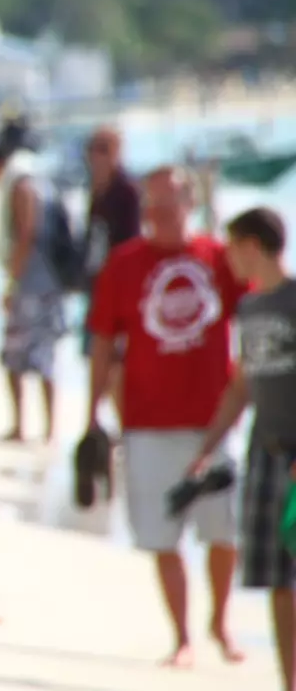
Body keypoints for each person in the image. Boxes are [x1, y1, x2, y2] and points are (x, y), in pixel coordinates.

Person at [86, 166, 246, 668]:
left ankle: (219, 620)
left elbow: (261, 311)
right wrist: (92, 411)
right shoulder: (124, 264)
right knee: (161, 534)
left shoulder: (217, 259)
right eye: (149, 208)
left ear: (189, 206)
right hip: (147, 422)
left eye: (167, 207)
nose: (156, 217)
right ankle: (182, 636)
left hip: (212, 422)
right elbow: (103, 344)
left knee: (225, 531)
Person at [188, 207, 293, 688]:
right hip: (264, 452)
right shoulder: (249, 308)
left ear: (251, 245)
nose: (226, 257)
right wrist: (208, 446)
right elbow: (240, 386)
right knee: (278, 579)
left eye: (230, 246)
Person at [0, 147, 67, 443]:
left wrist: (11, 283)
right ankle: (47, 428)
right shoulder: (41, 180)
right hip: (50, 285)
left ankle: (24, 426)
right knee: (44, 358)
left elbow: (27, 232)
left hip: (32, 285)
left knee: (17, 357)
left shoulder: (21, 184)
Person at [82, 127, 142, 419]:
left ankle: (124, 426)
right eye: (93, 148)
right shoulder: (97, 189)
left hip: (120, 288)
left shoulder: (126, 191)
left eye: (104, 148)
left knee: (116, 362)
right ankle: (103, 422)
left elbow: (132, 243)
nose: (96, 156)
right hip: (97, 286)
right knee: (98, 358)